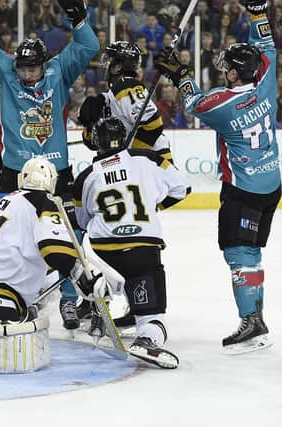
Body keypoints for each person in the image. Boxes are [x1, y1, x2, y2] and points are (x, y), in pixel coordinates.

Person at [0, 0, 99, 331]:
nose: (26, 74)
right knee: (2, 233)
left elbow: (88, 46)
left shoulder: (59, 71)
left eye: (32, 69)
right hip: (15, 173)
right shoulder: (7, 70)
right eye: (22, 69)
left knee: (68, 236)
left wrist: (79, 19)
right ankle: (1, 288)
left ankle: (68, 299)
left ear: (43, 64)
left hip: (56, 175)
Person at [155, 0, 281, 353]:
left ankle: (252, 323)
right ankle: (255, 317)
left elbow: (194, 103)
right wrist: (257, 11)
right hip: (271, 185)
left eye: (228, 68)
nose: (224, 71)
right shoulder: (267, 80)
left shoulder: (222, 104)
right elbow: (268, 46)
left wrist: (179, 74)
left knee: (240, 253)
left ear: (237, 73)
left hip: (243, 190)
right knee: (251, 253)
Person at [73, 117, 190, 368]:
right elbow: (183, 188)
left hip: (102, 251)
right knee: (153, 315)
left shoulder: (86, 176)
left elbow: (82, 221)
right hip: (142, 249)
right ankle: (147, 335)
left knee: (94, 256)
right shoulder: (149, 159)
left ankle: (97, 294)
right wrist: (153, 205)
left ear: (96, 143)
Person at [0, 156, 102, 324]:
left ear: (22, 178)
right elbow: (55, 250)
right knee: (23, 333)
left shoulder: (5, 201)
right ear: (52, 181)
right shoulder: (46, 202)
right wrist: (80, 274)